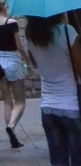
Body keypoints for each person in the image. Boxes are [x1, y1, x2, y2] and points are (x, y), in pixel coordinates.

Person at [24, 13, 81, 166]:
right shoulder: (67, 32)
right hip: (71, 105)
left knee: (58, 161)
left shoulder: (31, 36)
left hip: (48, 107)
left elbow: (35, 63)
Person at [0, 0, 27, 149]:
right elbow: (19, 46)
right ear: (3, 7)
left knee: (7, 101)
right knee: (20, 101)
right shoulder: (11, 23)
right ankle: (11, 126)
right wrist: (27, 60)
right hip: (12, 60)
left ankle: (13, 136)